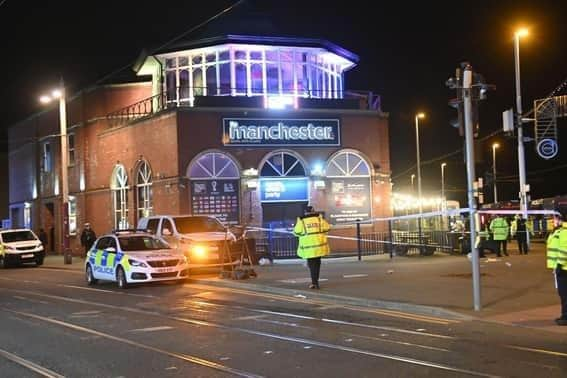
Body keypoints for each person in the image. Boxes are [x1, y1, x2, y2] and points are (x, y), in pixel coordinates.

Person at [293, 205, 330, 289]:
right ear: (313, 211)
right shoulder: (319, 219)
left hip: (308, 248)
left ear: (305, 212)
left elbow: (297, 232)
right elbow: (327, 228)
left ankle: (314, 282)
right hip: (319, 246)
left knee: (312, 265)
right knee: (317, 264)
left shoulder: (302, 221)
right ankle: (315, 281)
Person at [546, 212, 567, 326]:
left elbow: (564, 250)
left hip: (564, 268)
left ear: (560, 219)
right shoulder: (558, 231)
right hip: (561, 267)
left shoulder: (564, 232)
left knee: (564, 293)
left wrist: (559, 265)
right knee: (563, 293)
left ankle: (566, 317)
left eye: (554, 218)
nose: (552, 220)